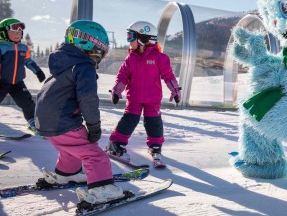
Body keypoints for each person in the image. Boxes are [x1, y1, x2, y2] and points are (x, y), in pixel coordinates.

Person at [34, 20, 124, 204]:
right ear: (90, 45)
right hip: (63, 122)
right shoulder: (84, 66)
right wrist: (94, 126)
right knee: (94, 155)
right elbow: (88, 99)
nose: (101, 57)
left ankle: (67, 174)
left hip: (45, 122)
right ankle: (102, 189)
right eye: (102, 51)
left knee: (70, 149)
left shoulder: (63, 65)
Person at [107, 21, 181, 164]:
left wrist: (175, 90)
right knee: (129, 121)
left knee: (154, 123)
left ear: (143, 39)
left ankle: (155, 147)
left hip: (152, 99)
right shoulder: (130, 58)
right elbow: (122, 76)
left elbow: (168, 76)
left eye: (130, 37)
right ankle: (116, 144)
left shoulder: (160, 58)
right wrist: (117, 91)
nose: (128, 41)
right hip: (134, 98)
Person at [0, 18, 46, 131]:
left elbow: (28, 61)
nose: (17, 35)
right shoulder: (2, 47)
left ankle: (33, 123)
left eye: (19, 32)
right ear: (3, 33)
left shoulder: (23, 48)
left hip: (17, 83)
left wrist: (38, 72)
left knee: (28, 103)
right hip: (2, 81)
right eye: (13, 32)